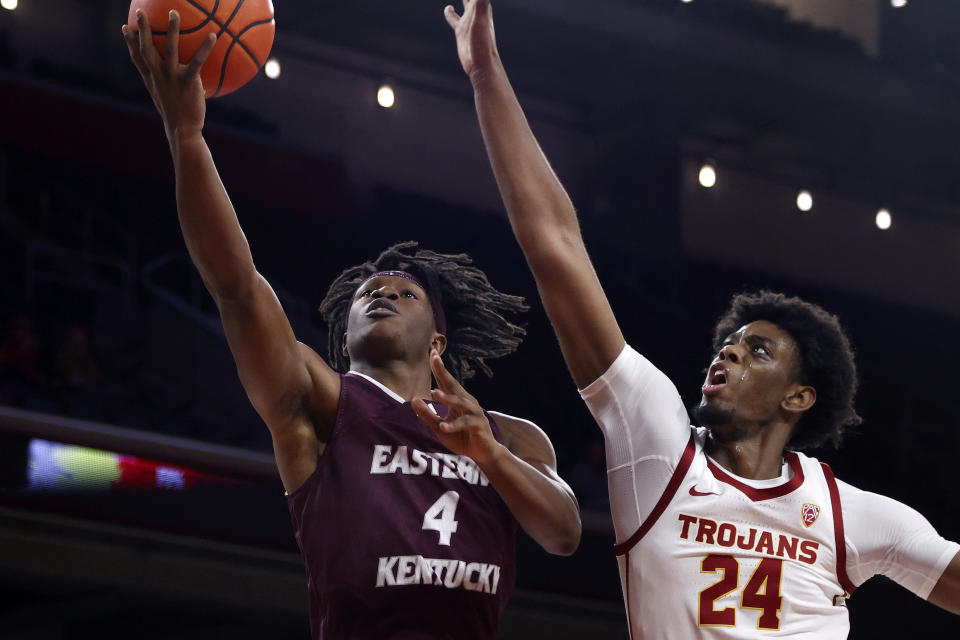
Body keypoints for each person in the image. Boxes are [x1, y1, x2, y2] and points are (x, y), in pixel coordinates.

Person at [445, 0, 960, 636]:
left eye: (758, 352)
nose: (729, 355)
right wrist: (486, 73)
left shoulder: (849, 514)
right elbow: (555, 244)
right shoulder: (657, 443)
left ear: (800, 396)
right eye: (730, 346)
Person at [121, 11, 580, 640]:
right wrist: (187, 135)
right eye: (369, 292)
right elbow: (236, 288)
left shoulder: (513, 438)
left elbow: (564, 534)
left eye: (404, 292)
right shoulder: (323, 404)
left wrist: (489, 455)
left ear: (438, 340)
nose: (382, 294)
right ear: (344, 336)